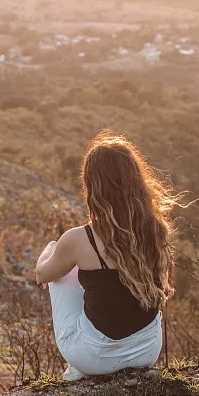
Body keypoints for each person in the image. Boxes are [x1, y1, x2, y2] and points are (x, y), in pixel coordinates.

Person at [35, 130, 187, 381]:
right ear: (137, 180)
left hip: (93, 357)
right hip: (147, 352)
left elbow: (42, 274)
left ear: (92, 185)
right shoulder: (156, 230)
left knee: (59, 272)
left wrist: (50, 248)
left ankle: (80, 364)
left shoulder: (79, 239)